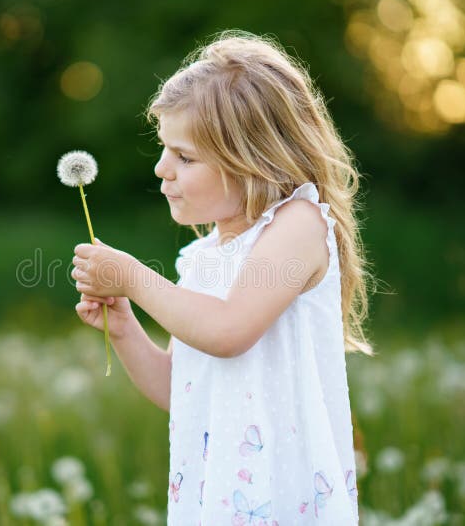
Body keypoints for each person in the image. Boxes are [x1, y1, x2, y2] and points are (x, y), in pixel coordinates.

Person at [71, 29, 376, 525]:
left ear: (251, 160)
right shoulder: (205, 254)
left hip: (281, 494)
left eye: (185, 156)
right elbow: (180, 387)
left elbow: (228, 331)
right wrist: (125, 326)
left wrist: (131, 276)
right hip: (215, 497)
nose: (160, 168)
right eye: (165, 149)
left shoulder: (297, 225)